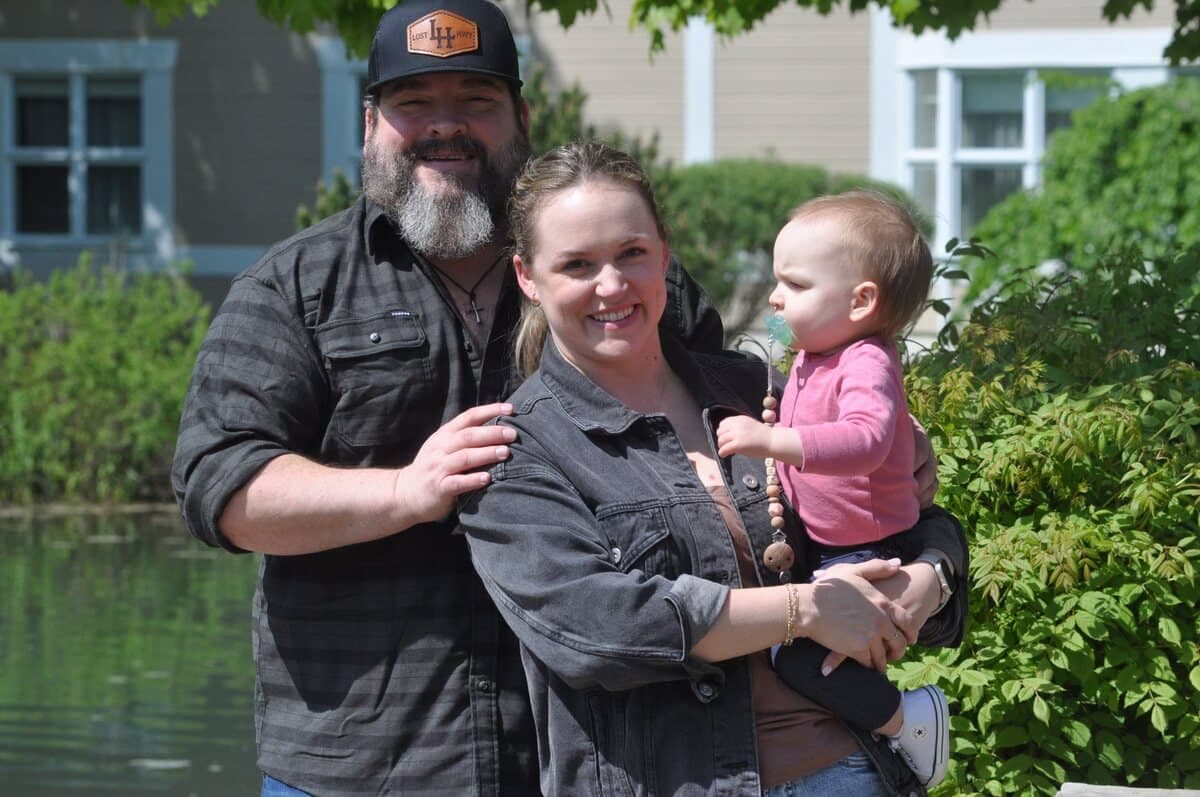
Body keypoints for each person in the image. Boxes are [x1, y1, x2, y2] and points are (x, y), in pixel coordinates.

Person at [169, 2, 726, 794]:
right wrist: (403, 490)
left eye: (476, 101)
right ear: (370, 123)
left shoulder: (629, 287)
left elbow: (736, 433)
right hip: (360, 766)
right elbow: (219, 488)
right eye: (415, 102)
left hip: (596, 758)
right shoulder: (294, 288)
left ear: (521, 117)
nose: (446, 126)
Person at [456, 142, 968, 797]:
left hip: (856, 770)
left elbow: (909, 517)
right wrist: (801, 609)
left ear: (664, 255)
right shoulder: (517, 448)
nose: (610, 285)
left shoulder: (761, 389)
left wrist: (929, 578)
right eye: (577, 264)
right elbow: (599, 629)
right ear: (528, 276)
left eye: (631, 253)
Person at [715, 190, 952, 787]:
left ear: (860, 300)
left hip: (869, 545)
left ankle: (908, 723)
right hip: (831, 542)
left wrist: (770, 441)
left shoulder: (865, 358)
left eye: (793, 285)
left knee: (799, 655)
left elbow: (867, 440)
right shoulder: (815, 351)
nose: (774, 298)